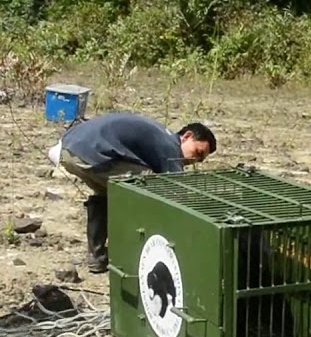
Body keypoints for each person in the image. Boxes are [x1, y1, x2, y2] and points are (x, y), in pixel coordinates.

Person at [56, 112, 217, 273]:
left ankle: (96, 258)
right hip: (93, 154)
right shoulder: (170, 146)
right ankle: (135, 253)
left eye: (200, 160)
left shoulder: (160, 134)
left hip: (70, 150)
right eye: (197, 152)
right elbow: (176, 189)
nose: (194, 160)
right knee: (147, 185)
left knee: (104, 194)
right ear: (187, 136)